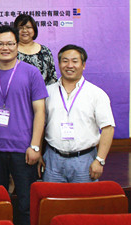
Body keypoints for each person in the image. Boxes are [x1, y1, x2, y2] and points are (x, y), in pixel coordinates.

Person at [0, 25, 47, 225]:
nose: (5, 48)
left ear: (17, 45)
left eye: (10, 43)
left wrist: (35, 146)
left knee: (26, 204)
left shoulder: (31, 73)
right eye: (0, 44)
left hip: (23, 148)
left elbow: (40, 112)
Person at [40, 45, 115, 183]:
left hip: (84, 160)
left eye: (75, 61)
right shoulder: (47, 92)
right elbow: (39, 125)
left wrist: (100, 160)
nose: (69, 65)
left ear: (83, 65)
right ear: (59, 64)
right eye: (65, 61)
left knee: (84, 197)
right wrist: (38, 152)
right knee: (52, 197)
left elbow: (108, 128)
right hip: (52, 160)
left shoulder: (96, 94)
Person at [0, 14, 57, 85]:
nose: (24, 30)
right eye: (20, 28)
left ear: (34, 29)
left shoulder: (45, 51)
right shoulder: (7, 50)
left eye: (28, 27)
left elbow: (52, 77)